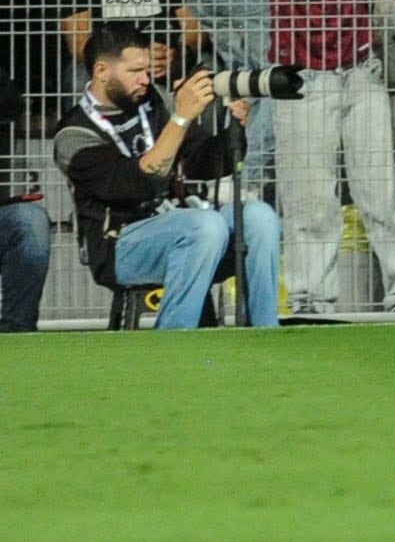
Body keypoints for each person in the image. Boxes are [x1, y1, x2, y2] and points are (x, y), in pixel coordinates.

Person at [54, 24, 283, 328]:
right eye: (135, 71)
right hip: (118, 246)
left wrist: (233, 132)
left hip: (185, 227)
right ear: (101, 71)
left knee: (259, 217)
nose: (145, 79)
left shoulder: (149, 103)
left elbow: (203, 164)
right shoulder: (73, 135)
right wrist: (181, 117)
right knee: (204, 226)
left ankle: (264, 332)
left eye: (146, 70)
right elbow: (136, 184)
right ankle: (175, 340)